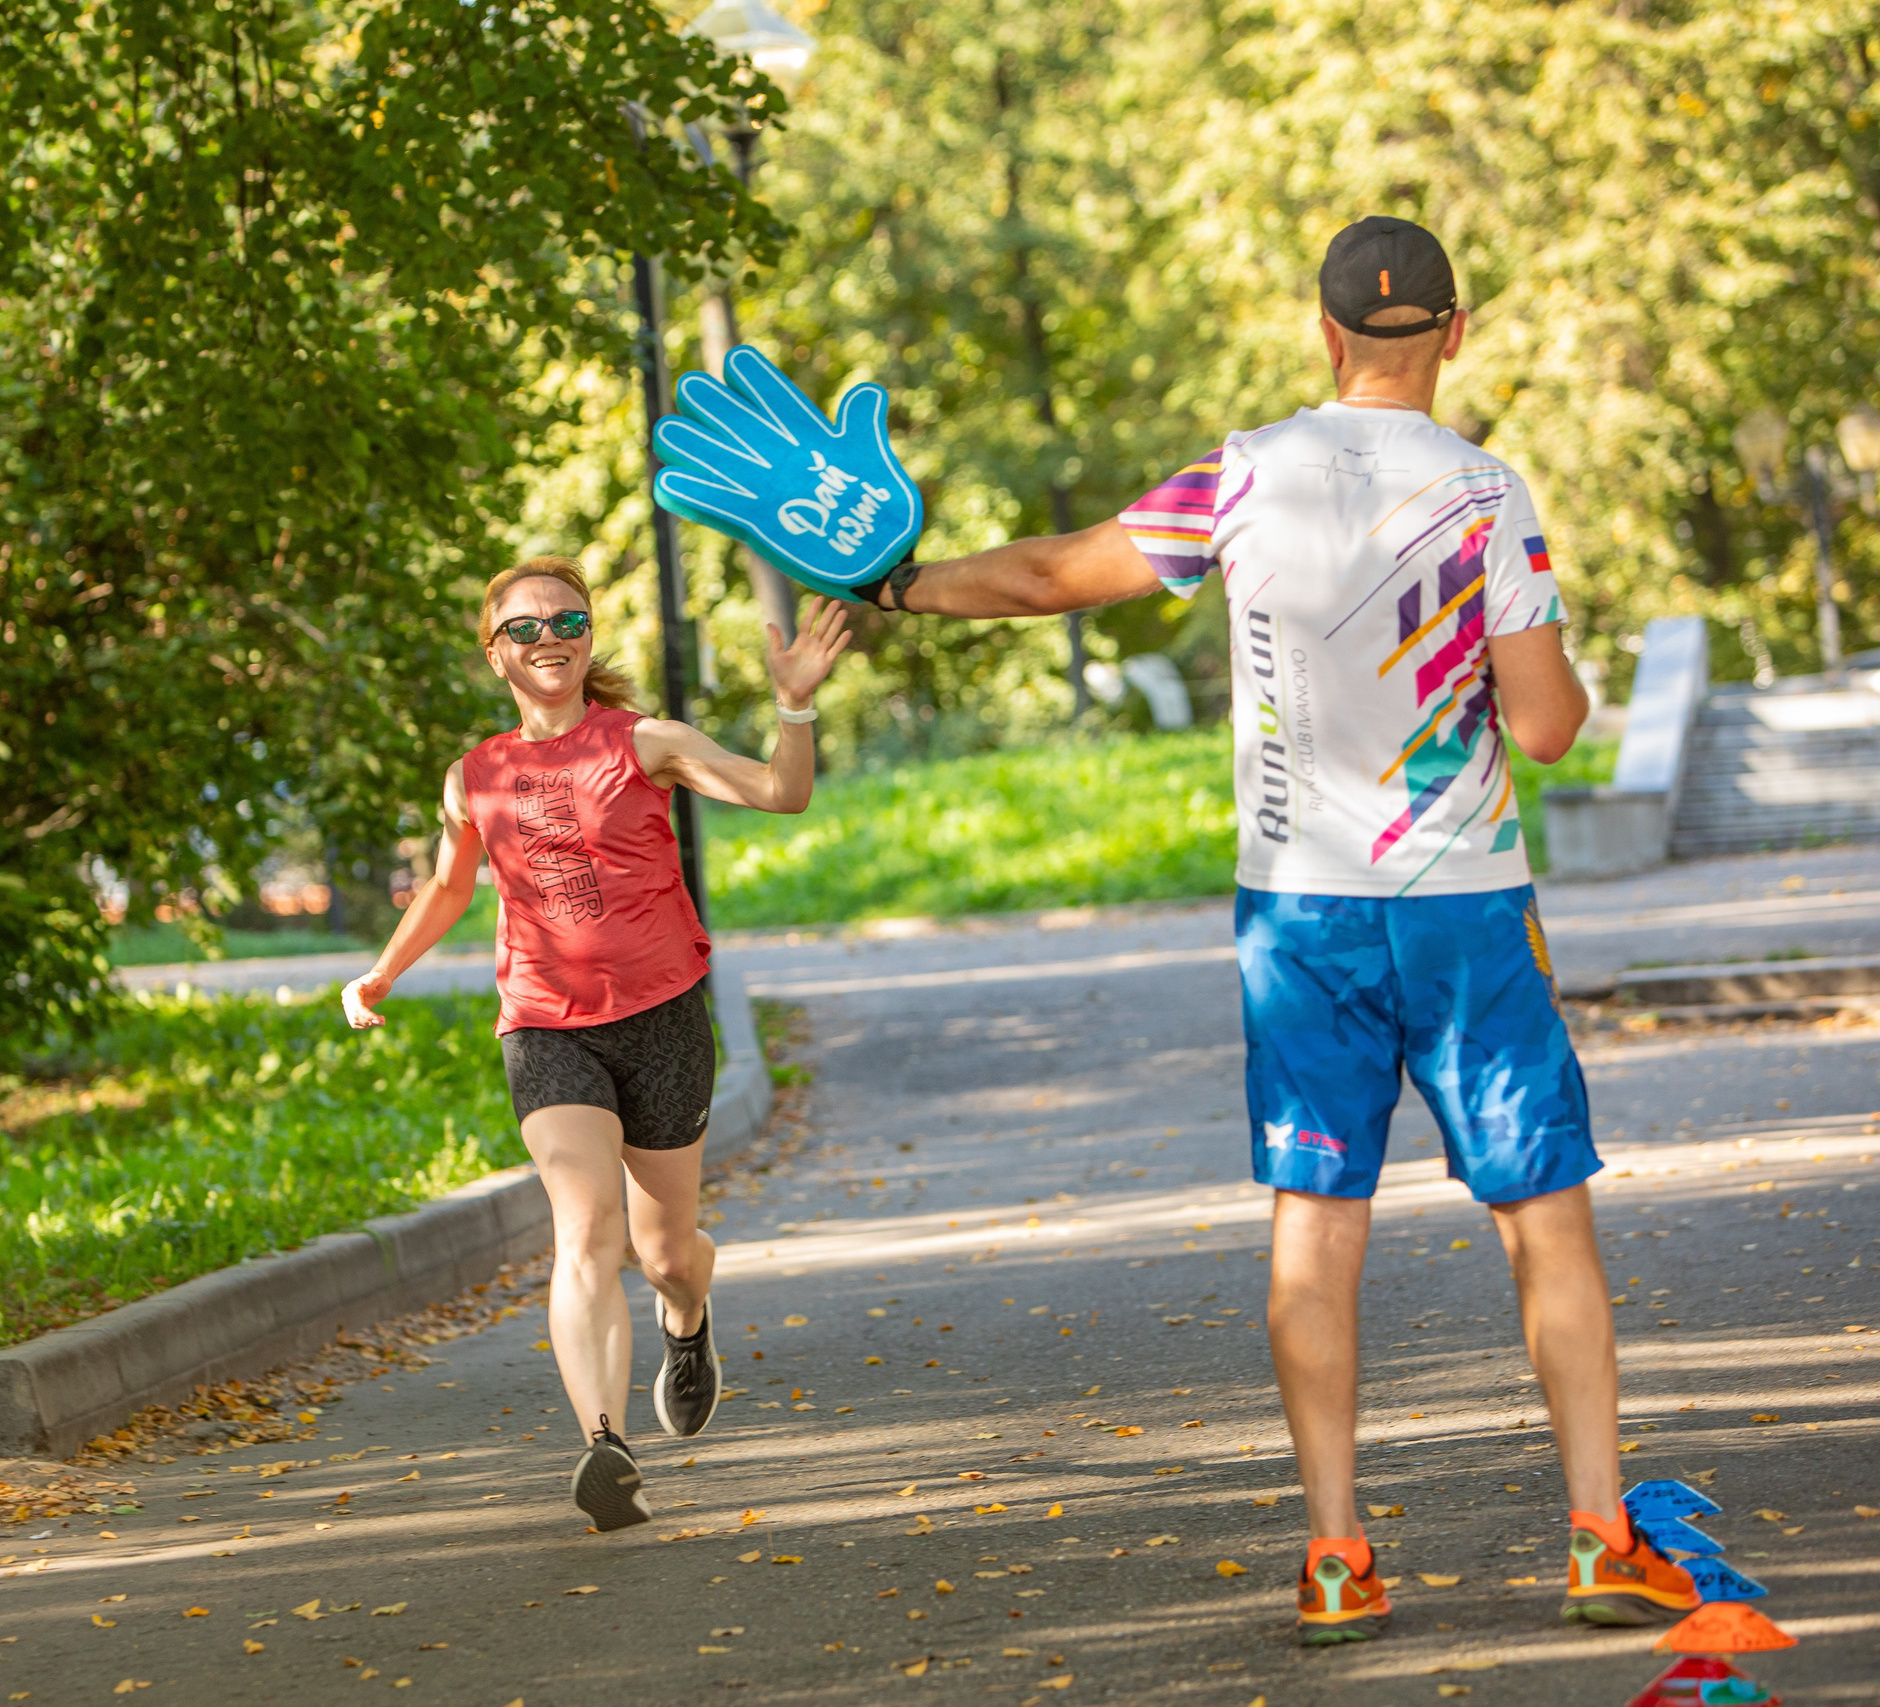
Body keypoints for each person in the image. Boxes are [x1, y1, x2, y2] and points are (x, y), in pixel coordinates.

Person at [703, 218, 1698, 1641]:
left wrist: (892, 584)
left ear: (1325, 331)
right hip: (1467, 906)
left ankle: (1339, 1552)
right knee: (1545, 1217)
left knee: (1316, 1220)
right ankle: (1600, 1538)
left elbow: (1052, 575)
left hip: (1301, 915)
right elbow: (1545, 724)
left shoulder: (1244, 474)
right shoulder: (1488, 491)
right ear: (1455, 334)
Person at [342, 556, 851, 1531]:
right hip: (543, 1025)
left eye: (565, 621)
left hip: (660, 1019)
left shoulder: (646, 742)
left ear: (587, 635)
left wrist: (793, 711)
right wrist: (383, 971)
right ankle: (605, 1445)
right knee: (584, 1230)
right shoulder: (473, 775)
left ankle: (688, 1321)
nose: (548, 639)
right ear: (494, 654)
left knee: (663, 1251)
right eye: (524, 628)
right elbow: (452, 886)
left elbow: (782, 795)